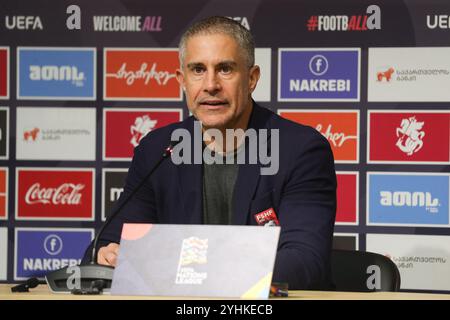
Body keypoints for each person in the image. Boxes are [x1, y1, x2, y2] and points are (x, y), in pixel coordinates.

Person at [85, 16, 337, 290]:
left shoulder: (300, 150)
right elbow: (104, 247)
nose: (210, 85)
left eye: (225, 69)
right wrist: (108, 256)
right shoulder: (158, 150)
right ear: (182, 80)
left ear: (252, 79)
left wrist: (187, 269)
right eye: (197, 70)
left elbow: (304, 263)